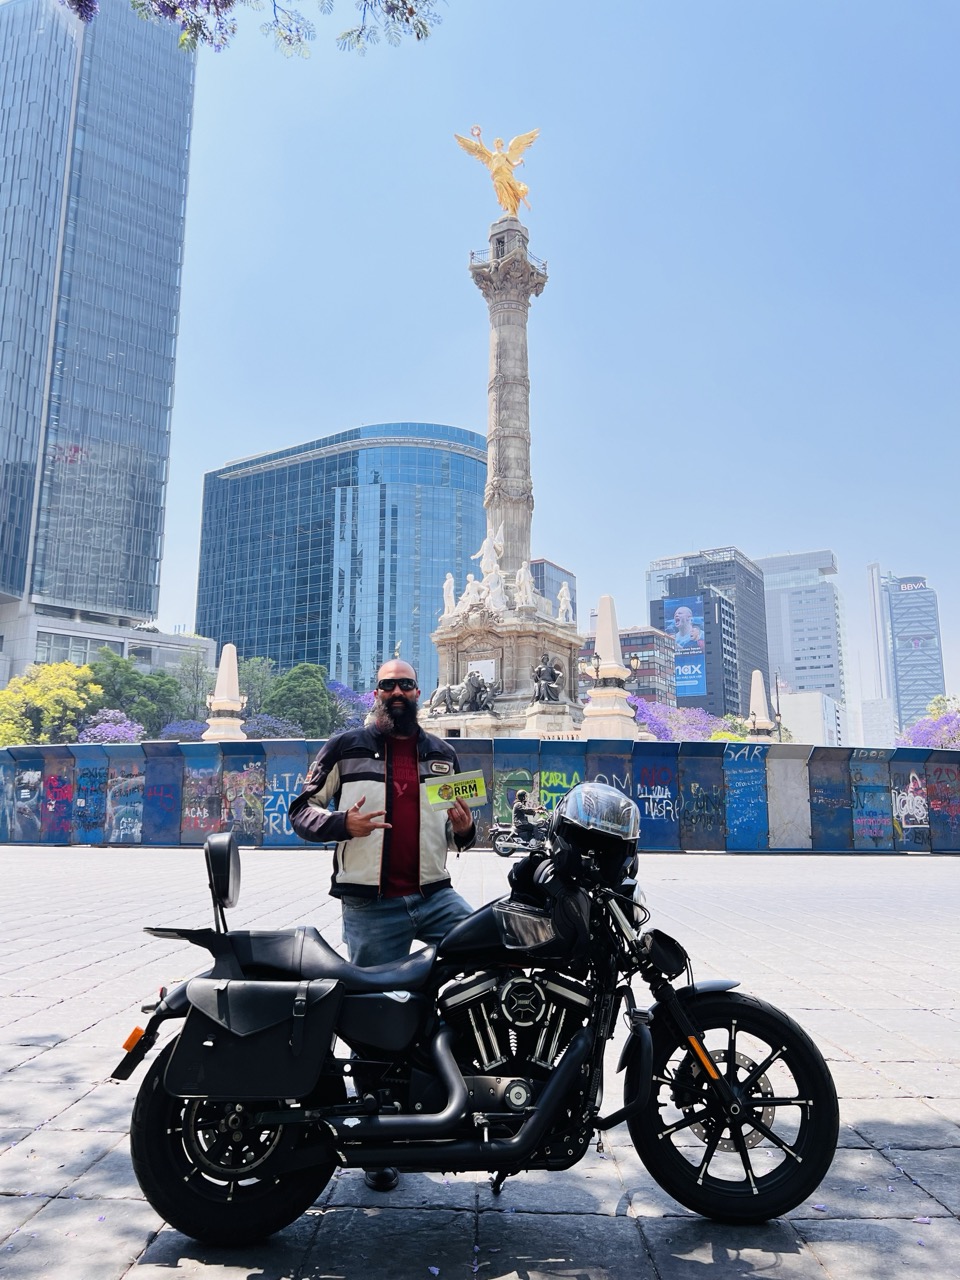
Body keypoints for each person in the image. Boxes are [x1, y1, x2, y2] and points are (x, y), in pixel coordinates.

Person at [289, 658, 476, 1192]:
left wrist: (466, 827)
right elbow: (300, 810)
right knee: (370, 1025)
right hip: (371, 907)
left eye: (406, 684)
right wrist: (340, 823)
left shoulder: (442, 754)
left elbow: (462, 832)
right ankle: (375, 1144)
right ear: (375, 693)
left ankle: (456, 1074)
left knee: (491, 960)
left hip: (436, 897)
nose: (397, 691)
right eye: (388, 684)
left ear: (419, 692)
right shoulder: (346, 747)